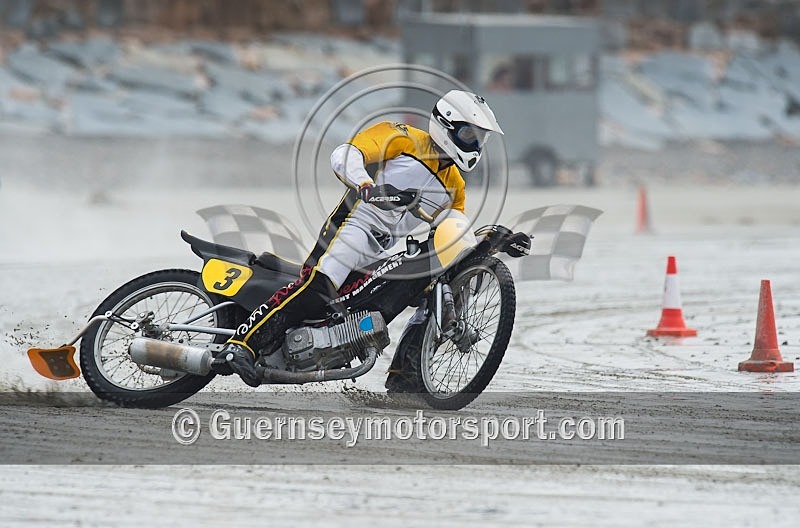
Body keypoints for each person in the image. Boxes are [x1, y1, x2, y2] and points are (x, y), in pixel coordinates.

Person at [211, 90, 504, 387]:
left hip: (380, 251)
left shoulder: (456, 185)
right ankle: (242, 344)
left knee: (422, 288)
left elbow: (453, 236)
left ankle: (407, 377)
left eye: (481, 138)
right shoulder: (402, 138)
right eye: (470, 134)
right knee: (318, 288)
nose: (476, 144)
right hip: (353, 226)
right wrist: (365, 185)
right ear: (446, 124)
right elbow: (345, 154)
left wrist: (488, 249)